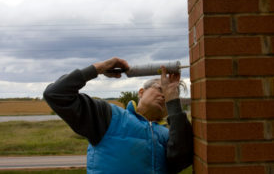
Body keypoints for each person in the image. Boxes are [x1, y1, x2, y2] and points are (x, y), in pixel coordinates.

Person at [43, 57, 193, 174]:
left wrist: (174, 101)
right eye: (160, 89)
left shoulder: (169, 135)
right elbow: (56, 94)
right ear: (141, 92)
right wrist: (98, 68)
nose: (164, 96)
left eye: (168, 94)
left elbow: (181, 159)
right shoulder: (109, 116)